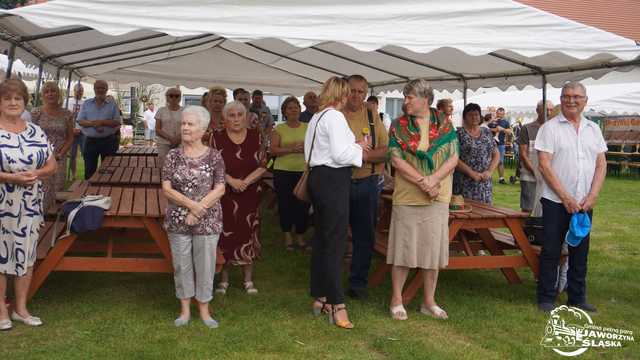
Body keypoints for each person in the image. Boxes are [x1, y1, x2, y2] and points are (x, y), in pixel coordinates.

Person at [387, 79, 459, 321]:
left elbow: (453, 157)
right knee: (403, 250)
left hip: (438, 196)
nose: (405, 101)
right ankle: (396, 299)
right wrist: (423, 181)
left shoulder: (445, 123)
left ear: (425, 99)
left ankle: (429, 302)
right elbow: (396, 160)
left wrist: (434, 179)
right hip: (408, 196)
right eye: (405, 97)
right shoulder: (398, 125)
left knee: (432, 252)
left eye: (409, 97)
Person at [535, 82, 607, 313]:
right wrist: (565, 197)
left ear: (585, 100)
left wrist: (593, 195)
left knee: (580, 251)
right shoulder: (550, 128)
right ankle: (546, 297)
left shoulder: (593, 129)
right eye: (566, 96)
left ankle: (577, 298)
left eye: (576, 96)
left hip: (584, 202)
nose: (571, 100)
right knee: (551, 250)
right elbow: (545, 165)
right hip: (556, 201)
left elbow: (601, 164)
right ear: (560, 99)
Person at [307, 76, 368, 330]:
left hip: (319, 179)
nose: (352, 98)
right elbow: (340, 154)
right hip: (332, 180)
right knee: (334, 242)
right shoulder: (334, 117)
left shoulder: (317, 117)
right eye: (349, 93)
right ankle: (336, 302)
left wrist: (352, 147)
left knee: (323, 240)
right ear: (341, 94)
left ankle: (320, 296)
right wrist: (361, 148)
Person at [0, 78, 57, 330]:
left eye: (18, 98)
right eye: (7, 98)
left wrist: (38, 174)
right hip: (2, 203)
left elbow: (52, 164)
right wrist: (11, 177)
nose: (13, 103)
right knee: (0, 256)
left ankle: (20, 309)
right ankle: (1, 311)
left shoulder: (35, 130)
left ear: (25, 101)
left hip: (30, 205)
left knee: (26, 254)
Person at [162, 105, 226, 328]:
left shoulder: (215, 156)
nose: (185, 128)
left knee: (206, 266)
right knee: (181, 265)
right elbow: (167, 188)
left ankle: (205, 310)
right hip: (178, 220)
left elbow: (220, 188)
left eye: (190, 124)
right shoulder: (172, 155)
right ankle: (185, 310)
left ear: (204, 129)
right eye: (183, 124)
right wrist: (192, 207)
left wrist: (199, 210)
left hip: (208, 221)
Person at [209, 101, 266, 295]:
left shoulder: (256, 136)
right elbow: (211, 165)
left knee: (248, 233)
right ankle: (223, 280)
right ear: (224, 118)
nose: (235, 119)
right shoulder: (216, 138)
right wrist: (231, 180)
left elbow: (265, 163)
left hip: (250, 194)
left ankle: (248, 280)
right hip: (224, 194)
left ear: (246, 117)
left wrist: (246, 182)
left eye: (239, 115)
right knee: (224, 235)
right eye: (231, 115)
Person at [343, 75, 389, 300]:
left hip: (367, 183)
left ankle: (357, 283)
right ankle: (329, 281)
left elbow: (386, 150)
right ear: (345, 90)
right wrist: (361, 155)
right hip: (338, 184)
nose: (357, 95)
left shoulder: (372, 115)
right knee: (334, 234)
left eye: (361, 91)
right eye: (353, 90)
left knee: (364, 236)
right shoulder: (335, 115)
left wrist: (357, 155)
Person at [270, 96, 310, 250]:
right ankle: (287, 234)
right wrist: (291, 149)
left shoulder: (308, 127)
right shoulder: (279, 128)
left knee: (303, 205)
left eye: (296, 107)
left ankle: (300, 235)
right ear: (284, 111)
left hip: (303, 172)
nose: (294, 110)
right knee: (285, 204)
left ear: (300, 110)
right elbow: (272, 150)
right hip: (283, 172)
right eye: (290, 108)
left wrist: (305, 149)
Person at [31, 81, 74, 212]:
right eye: (46, 91)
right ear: (42, 95)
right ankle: (40, 221)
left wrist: (60, 154)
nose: (50, 94)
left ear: (58, 93)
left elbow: (70, 137)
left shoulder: (67, 114)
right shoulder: (36, 112)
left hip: (59, 158)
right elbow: (30, 135)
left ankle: (53, 224)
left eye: (53, 91)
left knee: (57, 191)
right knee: (41, 191)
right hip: (40, 158)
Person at [453, 103, 499, 204]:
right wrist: (472, 173)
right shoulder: (458, 134)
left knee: (486, 214)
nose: (474, 117)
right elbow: (454, 158)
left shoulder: (487, 132)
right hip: (464, 182)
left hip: (484, 183)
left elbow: (496, 154)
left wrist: (489, 172)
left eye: (476, 114)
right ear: (464, 117)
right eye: (470, 115)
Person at [76, 80, 122, 180]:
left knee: (109, 170)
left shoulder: (112, 104)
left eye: (102, 88)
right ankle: (88, 193)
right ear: (94, 89)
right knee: (89, 169)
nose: (100, 90)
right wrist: (94, 124)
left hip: (108, 141)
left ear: (106, 89)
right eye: (98, 88)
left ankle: (107, 191)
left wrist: (102, 122)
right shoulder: (87, 103)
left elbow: (117, 122)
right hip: (90, 141)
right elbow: (80, 121)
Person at [519, 100, 553, 212]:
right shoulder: (527, 128)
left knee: (546, 209)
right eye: (545, 109)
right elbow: (523, 154)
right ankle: (523, 229)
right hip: (529, 176)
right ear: (537, 110)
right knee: (528, 208)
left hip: (549, 177)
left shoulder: (554, 129)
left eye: (550, 110)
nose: (548, 112)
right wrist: (535, 171)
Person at [156, 88, 183, 171]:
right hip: (163, 144)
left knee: (179, 168)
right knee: (164, 168)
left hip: (180, 143)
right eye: (171, 96)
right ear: (167, 97)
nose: (174, 98)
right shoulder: (161, 110)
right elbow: (157, 129)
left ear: (180, 98)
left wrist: (177, 139)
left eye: (177, 96)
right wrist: (171, 139)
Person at [488, 107, 511, 184]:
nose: (500, 115)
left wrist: (502, 129)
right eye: (499, 113)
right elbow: (485, 129)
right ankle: (488, 176)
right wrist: (495, 129)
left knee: (500, 161)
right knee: (489, 161)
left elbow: (509, 132)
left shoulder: (506, 122)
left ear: (504, 114)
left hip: (500, 144)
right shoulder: (491, 121)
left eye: (502, 114)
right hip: (491, 143)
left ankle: (501, 178)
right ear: (496, 113)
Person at [67, 83, 84, 181]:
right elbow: (65, 117)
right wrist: (71, 129)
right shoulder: (67, 101)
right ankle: (73, 174)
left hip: (82, 132)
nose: (79, 93)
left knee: (85, 153)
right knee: (72, 155)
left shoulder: (85, 103)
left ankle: (88, 174)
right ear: (74, 91)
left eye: (81, 91)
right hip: (71, 131)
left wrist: (80, 129)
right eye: (78, 91)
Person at [250, 89, 274, 153]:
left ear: (262, 98)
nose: (257, 100)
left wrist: (264, 136)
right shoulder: (248, 108)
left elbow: (270, 124)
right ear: (252, 98)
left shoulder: (266, 109)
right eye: (256, 98)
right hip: (249, 137)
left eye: (259, 98)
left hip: (262, 139)